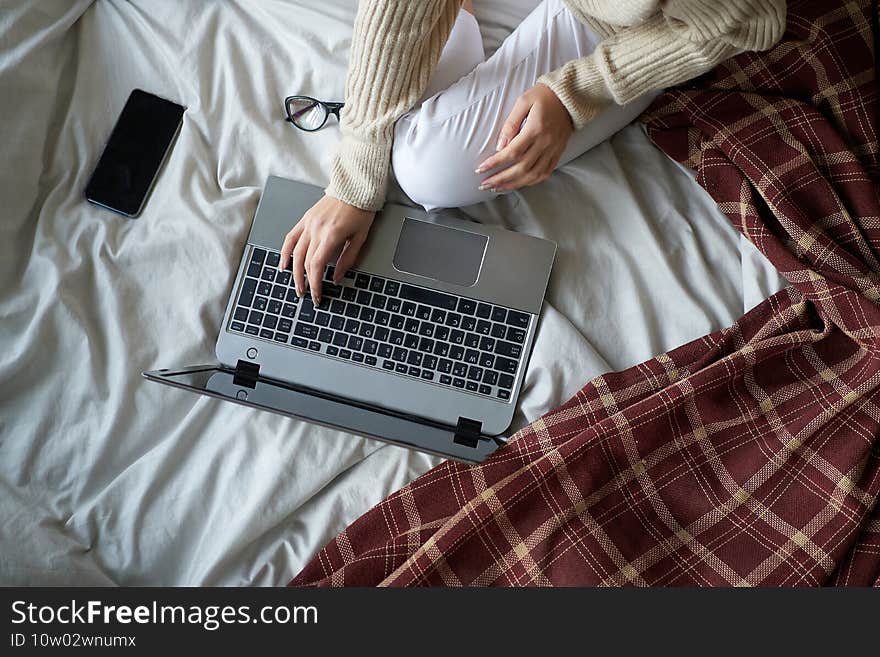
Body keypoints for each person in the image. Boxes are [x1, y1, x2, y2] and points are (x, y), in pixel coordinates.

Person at [279, 0, 786, 305]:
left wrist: (578, 94)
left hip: (630, 25)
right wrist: (356, 174)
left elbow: (748, 19)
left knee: (424, 170)